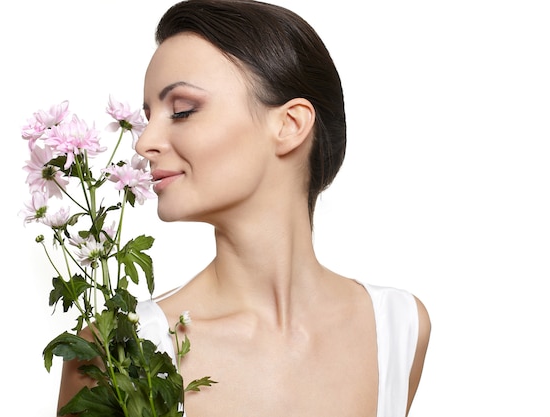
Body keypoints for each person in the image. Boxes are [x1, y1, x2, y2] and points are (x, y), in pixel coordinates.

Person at [58, 0, 431, 416]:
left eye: (181, 111)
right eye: (149, 116)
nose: (144, 143)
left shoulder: (397, 328)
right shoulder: (118, 353)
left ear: (289, 125)